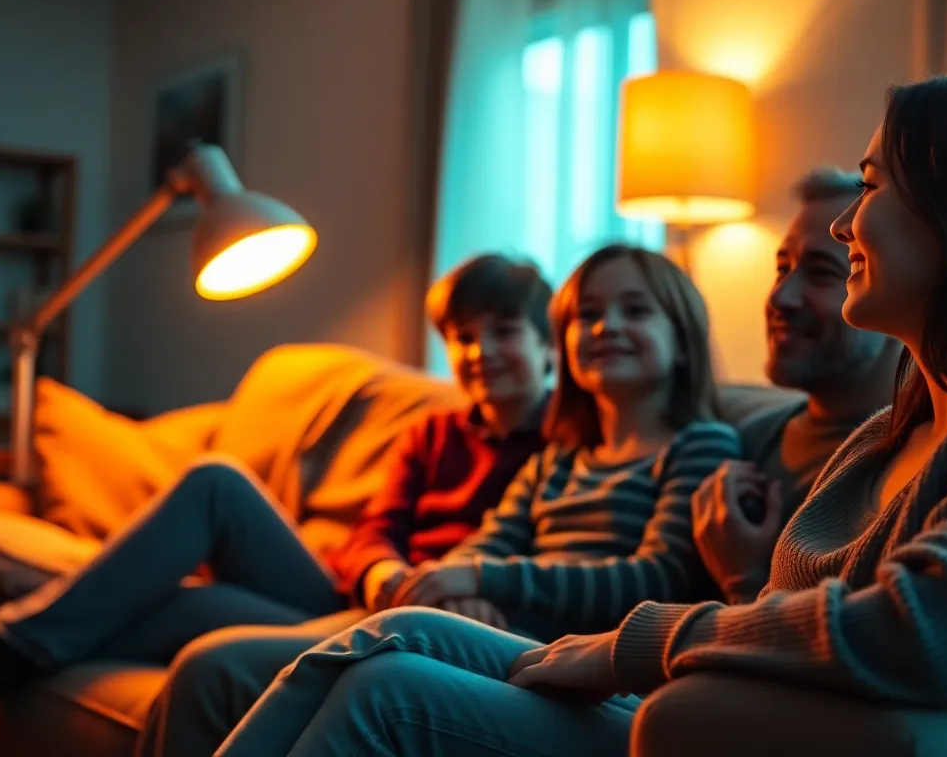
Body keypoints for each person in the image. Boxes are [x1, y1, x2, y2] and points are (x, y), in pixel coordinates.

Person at [212, 73, 947, 757]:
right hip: (709, 693)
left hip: (717, 709)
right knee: (376, 638)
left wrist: (637, 642)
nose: (844, 219)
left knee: (383, 692)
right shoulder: (900, 423)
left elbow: (934, 626)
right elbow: (782, 603)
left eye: (870, 188)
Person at [0, 253, 556, 753]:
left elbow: (548, 559)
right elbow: (371, 534)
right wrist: (385, 572)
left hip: (419, 625)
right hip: (361, 593)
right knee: (216, 482)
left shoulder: (565, 443)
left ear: (547, 347)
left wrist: (457, 587)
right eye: (464, 339)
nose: (481, 353)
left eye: (503, 333)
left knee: (181, 606)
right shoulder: (434, 431)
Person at [137, 242, 739, 756]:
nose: (606, 327)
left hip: (581, 657)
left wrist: (484, 579)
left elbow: (652, 576)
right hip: (502, 631)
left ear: (682, 340)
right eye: (588, 315)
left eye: (635, 311)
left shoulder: (699, 445)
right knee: (212, 661)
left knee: (398, 630)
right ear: (567, 342)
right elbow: (489, 541)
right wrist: (461, 581)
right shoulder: (560, 457)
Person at [692, 168, 899, 606]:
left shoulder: (905, 460)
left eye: (822, 272)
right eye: (781, 268)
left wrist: (743, 580)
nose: (780, 297)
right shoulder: (745, 439)